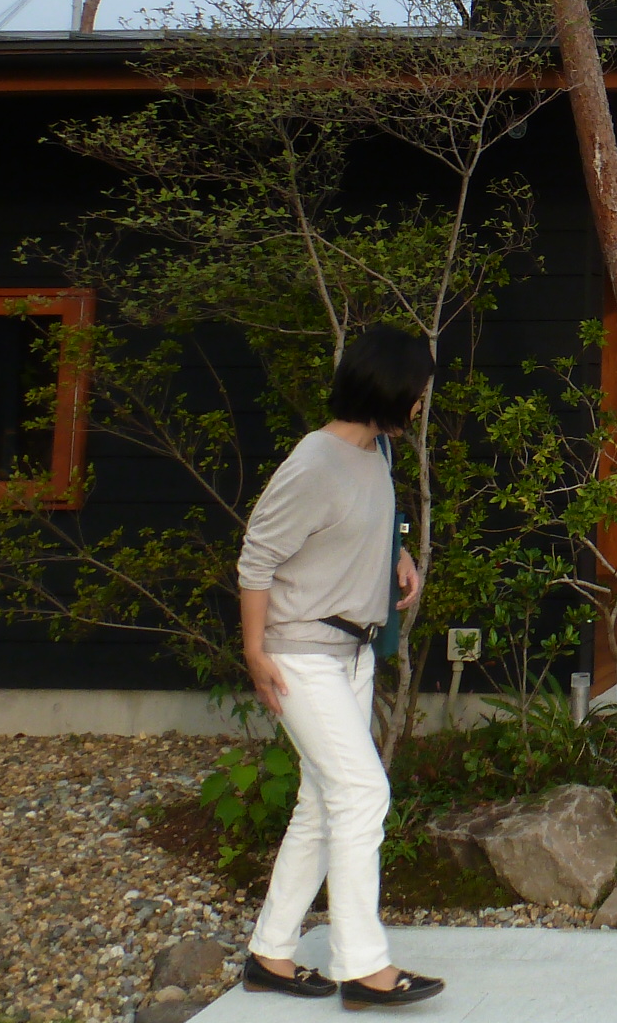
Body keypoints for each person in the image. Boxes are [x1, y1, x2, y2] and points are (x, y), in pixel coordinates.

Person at [238, 325, 444, 1010]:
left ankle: (270, 953)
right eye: (417, 391)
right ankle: (364, 968)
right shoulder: (313, 464)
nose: (421, 403)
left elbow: (368, 519)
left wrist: (397, 554)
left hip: (353, 652)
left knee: (322, 803)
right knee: (361, 794)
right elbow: (256, 558)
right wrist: (255, 653)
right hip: (299, 654)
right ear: (388, 390)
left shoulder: (375, 450)